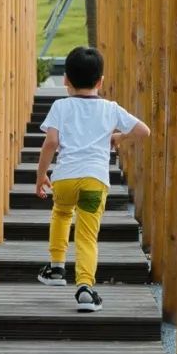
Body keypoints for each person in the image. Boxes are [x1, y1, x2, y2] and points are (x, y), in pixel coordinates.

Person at [35, 46, 150, 311]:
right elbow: (143, 130)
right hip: (95, 181)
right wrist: (119, 137)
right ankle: (85, 287)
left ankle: (56, 268)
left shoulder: (60, 106)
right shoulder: (110, 109)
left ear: (65, 79)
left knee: (61, 214)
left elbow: (51, 142)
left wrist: (41, 176)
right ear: (100, 81)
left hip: (64, 179)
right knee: (87, 236)